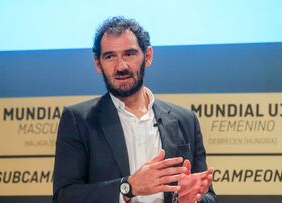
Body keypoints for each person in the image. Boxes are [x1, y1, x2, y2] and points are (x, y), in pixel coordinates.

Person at [53, 16, 216, 203]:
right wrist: (128, 187)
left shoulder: (185, 120)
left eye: (129, 54)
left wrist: (192, 199)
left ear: (147, 56)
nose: (121, 66)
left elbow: (208, 196)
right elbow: (64, 197)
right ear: (98, 64)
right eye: (110, 56)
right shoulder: (78, 120)